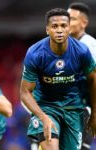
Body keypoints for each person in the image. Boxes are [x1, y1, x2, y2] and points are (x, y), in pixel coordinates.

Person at [20, 8, 96, 150]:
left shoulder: (82, 51)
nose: (59, 30)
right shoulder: (35, 53)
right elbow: (25, 92)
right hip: (46, 107)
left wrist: (94, 114)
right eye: (55, 26)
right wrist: (43, 117)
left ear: (69, 29)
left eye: (63, 26)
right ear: (47, 30)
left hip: (73, 108)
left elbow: (93, 80)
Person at [67, 2, 96, 149]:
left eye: (72, 19)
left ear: (84, 23)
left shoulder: (90, 46)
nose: (67, 22)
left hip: (85, 110)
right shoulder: (67, 45)